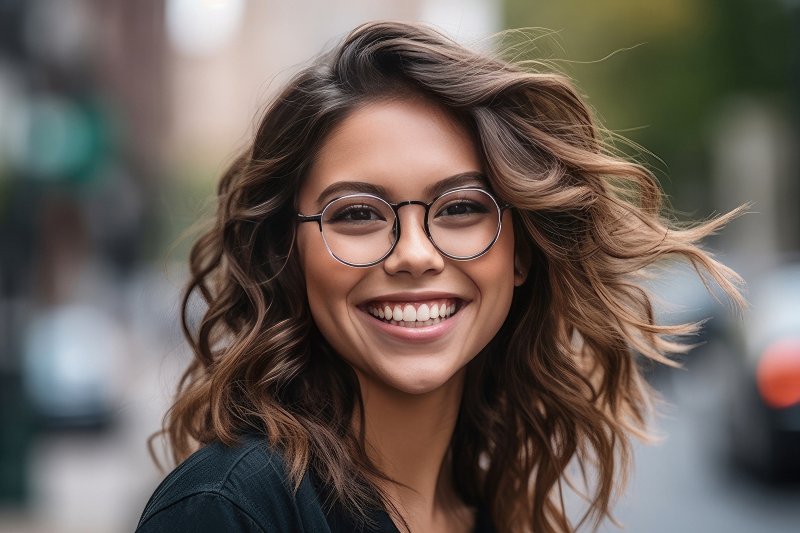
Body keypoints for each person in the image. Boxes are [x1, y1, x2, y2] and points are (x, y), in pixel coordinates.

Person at [136, 21, 743, 533]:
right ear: (288, 255)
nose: (415, 255)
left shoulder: (491, 510)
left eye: (460, 208)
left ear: (521, 252)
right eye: (356, 214)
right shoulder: (227, 510)